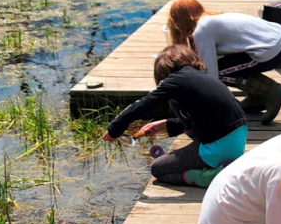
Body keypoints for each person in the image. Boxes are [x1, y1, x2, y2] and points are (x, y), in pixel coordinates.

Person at [102, 45, 247, 188]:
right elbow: (200, 120)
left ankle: (207, 177)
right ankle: (218, 167)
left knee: (158, 168)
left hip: (217, 147)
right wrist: (164, 124)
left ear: (163, 73)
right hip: (237, 141)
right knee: (174, 161)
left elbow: (143, 104)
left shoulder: (176, 80)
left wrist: (115, 128)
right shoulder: (202, 78)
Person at [167, 0, 281, 125]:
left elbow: (211, 75)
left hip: (270, 49)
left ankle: (271, 91)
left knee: (219, 74)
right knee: (230, 66)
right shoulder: (211, 20)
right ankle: (257, 97)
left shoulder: (201, 30)